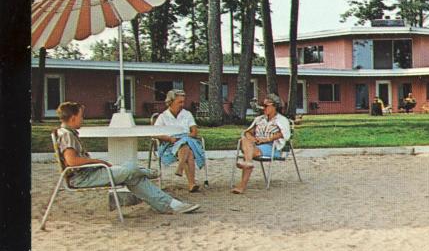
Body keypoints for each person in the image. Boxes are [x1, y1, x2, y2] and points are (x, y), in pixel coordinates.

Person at [55, 101, 200, 214]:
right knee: (131, 169)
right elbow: (72, 161)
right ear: (73, 118)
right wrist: (97, 161)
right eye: (81, 116)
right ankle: (149, 174)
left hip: (90, 173)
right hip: (83, 177)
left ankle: (169, 205)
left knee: (132, 175)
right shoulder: (67, 135)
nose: (83, 119)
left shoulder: (66, 132)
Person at [232, 93, 292, 194]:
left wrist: (266, 139)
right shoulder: (260, 119)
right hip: (256, 147)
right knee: (244, 140)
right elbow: (248, 132)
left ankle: (242, 184)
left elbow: (284, 134)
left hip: (272, 148)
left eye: (266, 106)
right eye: (262, 105)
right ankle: (248, 163)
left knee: (248, 154)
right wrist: (252, 138)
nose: (263, 108)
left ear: (275, 106)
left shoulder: (282, 120)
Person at [154, 89, 206, 192]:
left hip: (188, 140)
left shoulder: (187, 114)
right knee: (189, 152)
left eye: (183, 101)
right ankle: (191, 184)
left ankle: (181, 167)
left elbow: (194, 132)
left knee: (185, 143)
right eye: (180, 102)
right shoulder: (163, 116)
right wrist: (169, 138)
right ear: (170, 102)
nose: (182, 104)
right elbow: (156, 133)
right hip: (171, 143)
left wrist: (184, 137)